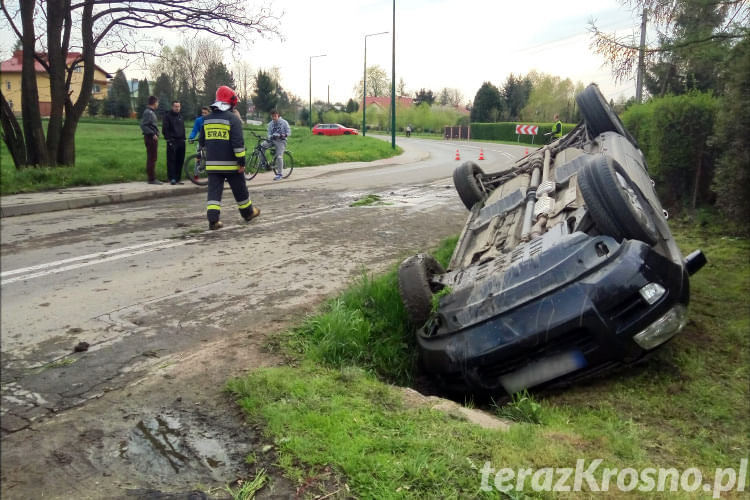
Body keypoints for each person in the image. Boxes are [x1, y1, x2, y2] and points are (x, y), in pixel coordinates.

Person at [200, 85, 260, 230]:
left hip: (213, 164)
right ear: (230, 102)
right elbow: (238, 144)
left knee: (214, 193)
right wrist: (241, 162)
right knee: (240, 189)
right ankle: (248, 213)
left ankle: (213, 221)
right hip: (231, 164)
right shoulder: (233, 119)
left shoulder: (206, 120)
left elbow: (202, 142)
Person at [262, 109, 291, 181]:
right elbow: (268, 133)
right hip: (272, 140)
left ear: (278, 115)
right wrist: (270, 136)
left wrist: (283, 135)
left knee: (279, 156)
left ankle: (279, 174)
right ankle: (264, 163)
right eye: (272, 116)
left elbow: (289, 132)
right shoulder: (270, 124)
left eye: (275, 116)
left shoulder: (284, 122)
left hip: (281, 141)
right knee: (262, 146)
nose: (274, 118)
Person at [162, 100, 186, 185]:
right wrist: (168, 139)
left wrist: (184, 138)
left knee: (180, 160)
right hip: (172, 141)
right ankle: (172, 178)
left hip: (181, 141)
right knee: (171, 160)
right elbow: (165, 129)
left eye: (178, 106)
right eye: (175, 106)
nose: (177, 108)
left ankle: (178, 178)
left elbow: (183, 128)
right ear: (172, 107)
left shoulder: (181, 116)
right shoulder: (167, 116)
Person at [140, 96, 161, 185]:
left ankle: (152, 177)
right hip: (150, 138)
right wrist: (153, 134)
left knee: (152, 157)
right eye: (157, 102)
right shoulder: (148, 112)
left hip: (152, 138)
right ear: (154, 102)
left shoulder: (150, 112)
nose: (158, 104)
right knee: (152, 158)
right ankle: (151, 179)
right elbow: (143, 125)